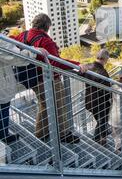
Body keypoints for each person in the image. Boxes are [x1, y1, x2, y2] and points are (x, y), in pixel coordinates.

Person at [12, 14, 81, 144]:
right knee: (59, 105)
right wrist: (77, 65)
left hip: (32, 79)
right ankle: (64, 134)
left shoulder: (23, 35)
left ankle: (41, 133)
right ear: (47, 27)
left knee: (45, 104)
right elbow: (56, 63)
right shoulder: (45, 42)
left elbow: (12, 43)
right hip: (49, 80)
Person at [0, 35, 38, 144]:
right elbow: (18, 57)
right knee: (3, 109)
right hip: (2, 85)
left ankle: (4, 137)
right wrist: (34, 51)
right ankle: (4, 138)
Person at [83, 49, 112, 146]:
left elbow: (78, 72)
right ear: (105, 59)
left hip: (89, 100)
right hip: (101, 102)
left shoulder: (87, 66)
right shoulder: (103, 73)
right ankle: (97, 139)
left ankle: (103, 136)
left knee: (100, 120)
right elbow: (108, 90)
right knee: (102, 120)